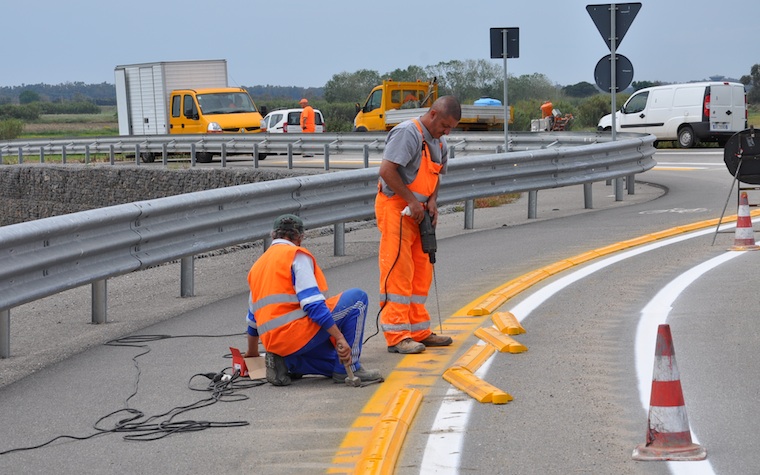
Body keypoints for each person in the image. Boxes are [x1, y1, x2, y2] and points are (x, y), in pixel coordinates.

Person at [244, 214, 382, 386]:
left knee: (334, 361)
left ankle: (288, 363)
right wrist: (339, 337)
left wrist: (252, 355)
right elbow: (313, 305)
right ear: (299, 237)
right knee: (357, 299)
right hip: (296, 335)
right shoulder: (295, 255)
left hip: (274, 343)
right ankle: (350, 368)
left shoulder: (257, 266)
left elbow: (252, 320)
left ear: (273, 235)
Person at [375, 96, 462, 354]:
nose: (446, 132)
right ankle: (397, 335)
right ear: (433, 114)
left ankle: (419, 331)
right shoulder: (407, 133)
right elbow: (387, 171)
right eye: (444, 125)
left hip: (420, 212)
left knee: (421, 272)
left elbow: (435, 177)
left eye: (451, 128)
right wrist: (412, 201)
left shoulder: (440, 142)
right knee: (398, 271)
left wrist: (432, 201)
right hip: (397, 208)